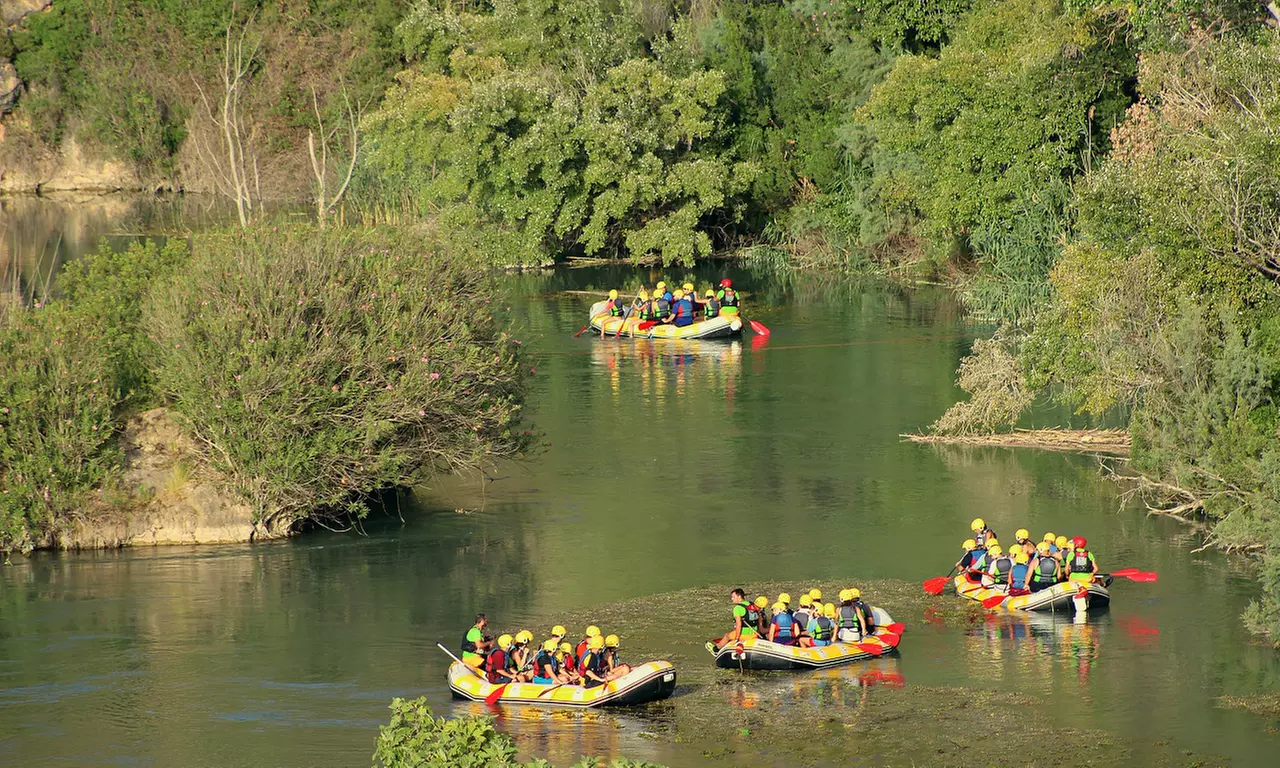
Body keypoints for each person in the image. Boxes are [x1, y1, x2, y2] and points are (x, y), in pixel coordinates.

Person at [709, 588, 760, 652]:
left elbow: (739, 625)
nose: (732, 599)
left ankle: (715, 650)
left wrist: (737, 638)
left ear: (739, 596)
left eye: (733, 597)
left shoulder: (738, 608)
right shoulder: (751, 604)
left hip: (744, 635)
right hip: (754, 634)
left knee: (727, 636)